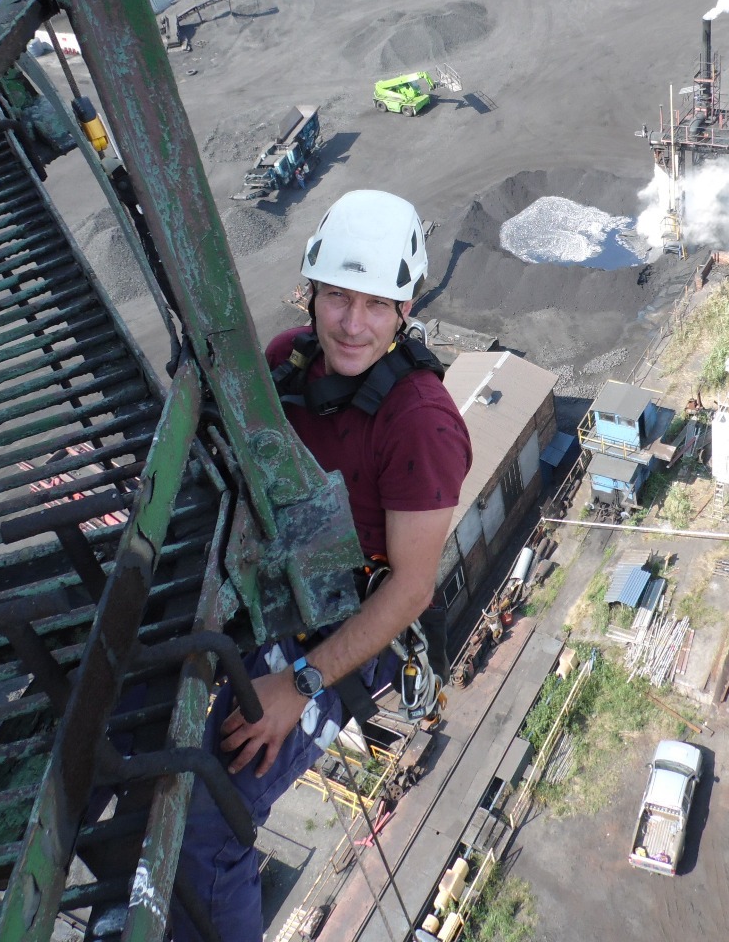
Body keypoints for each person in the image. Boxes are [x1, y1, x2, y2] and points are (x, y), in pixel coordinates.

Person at [174, 189, 473, 942]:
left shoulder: (422, 424)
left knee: (213, 818)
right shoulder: (286, 364)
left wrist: (297, 684)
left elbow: (409, 588)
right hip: (273, 587)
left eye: (376, 305)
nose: (351, 323)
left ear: (404, 310)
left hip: (340, 641)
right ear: (311, 291)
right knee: (148, 725)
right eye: (338, 297)